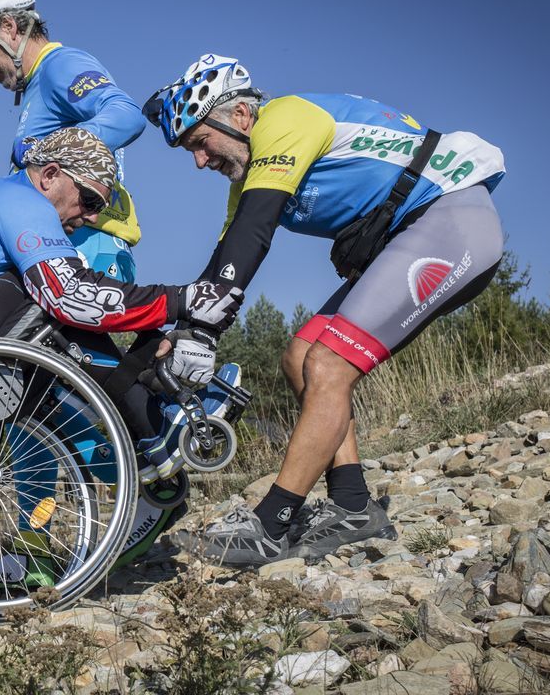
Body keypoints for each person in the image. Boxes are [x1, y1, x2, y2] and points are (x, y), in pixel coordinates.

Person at [143, 54, 507, 566]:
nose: (199, 161)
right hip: (411, 234)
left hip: (450, 221)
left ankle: (270, 526)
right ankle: (355, 507)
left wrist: (201, 332)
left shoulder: (285, 120)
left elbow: (255, 233)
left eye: (200, 142)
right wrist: (182, 331)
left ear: (240, 116)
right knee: (300, 355)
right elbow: (225, 260)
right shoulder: (248, 174)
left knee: (329, 365)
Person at [0, 128, 245, 586]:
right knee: (46, 294)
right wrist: (182, 300)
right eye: (90, 201)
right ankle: (156, 430)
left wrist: (152, 327)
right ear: (51, 175)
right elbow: (70, 297)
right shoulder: (23, 202)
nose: (89, 218)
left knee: (41, 340)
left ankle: (138, 446)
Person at [0, 0, 144, 281]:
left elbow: (126, 115)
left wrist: (50, 150)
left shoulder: (58, 65)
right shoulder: (38, 84)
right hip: (61, 241)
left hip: (86, 240)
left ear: (10, 28)